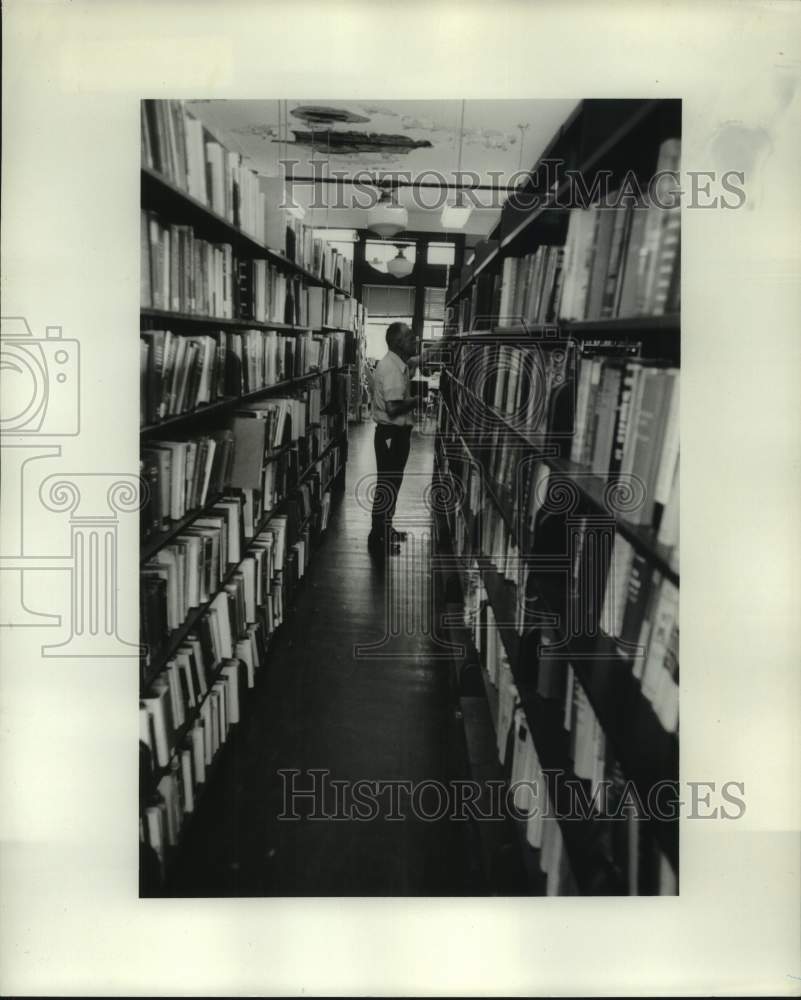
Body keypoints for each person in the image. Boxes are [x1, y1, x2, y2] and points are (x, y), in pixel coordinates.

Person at [368, 322, 421, 558]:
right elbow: (392, 408)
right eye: (410, 337)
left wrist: (445, 343)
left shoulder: (397, 363)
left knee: (392, 483)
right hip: (391, 435)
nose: (415, 339)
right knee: (387, 486)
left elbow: (414, 361)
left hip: (394, 435)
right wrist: (416, 400)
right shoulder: (391, 369)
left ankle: (386, 529)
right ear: (399, 343)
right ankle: (378, 537)